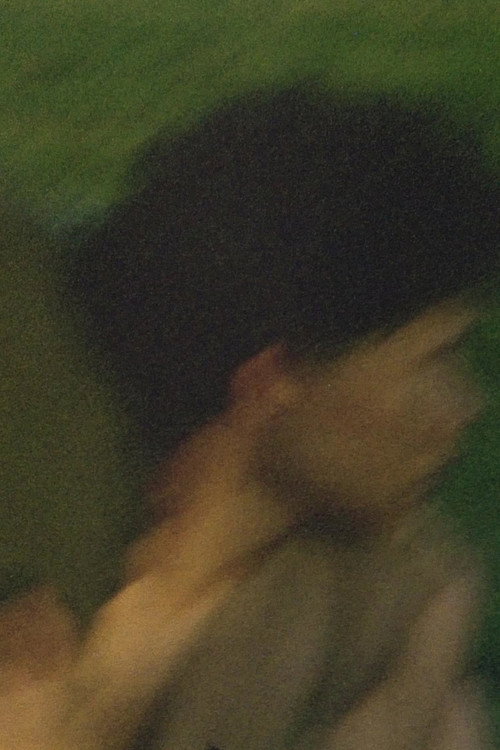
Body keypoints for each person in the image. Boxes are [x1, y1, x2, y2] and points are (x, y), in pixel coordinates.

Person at [49, 79, 498, 747]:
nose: (466, 408)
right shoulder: (49, 603)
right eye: (432, 362)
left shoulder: (397, 599)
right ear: (271, 383)